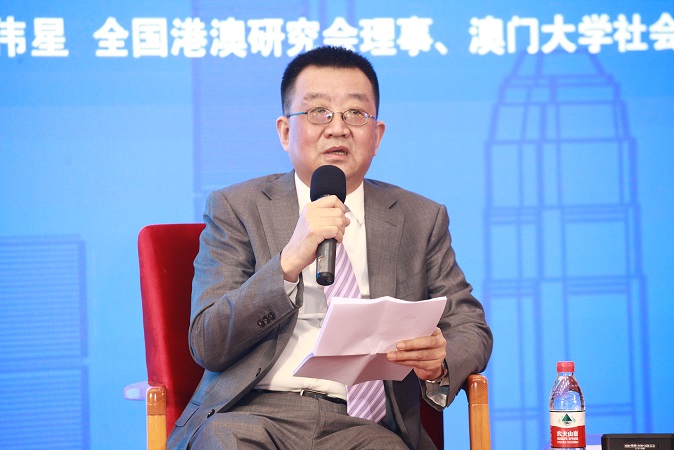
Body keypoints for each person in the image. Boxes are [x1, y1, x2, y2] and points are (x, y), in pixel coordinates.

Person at [168, 45, 493, 449]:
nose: (338, 128)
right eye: (318, 111)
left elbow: (469, 325)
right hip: (252, 413)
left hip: (365, 427)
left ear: (377, 135)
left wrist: (440, 361)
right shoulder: (238, 207)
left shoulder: (420, 218)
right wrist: (286, 264)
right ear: (285, 131)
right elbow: (208, 342)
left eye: (355, 113)